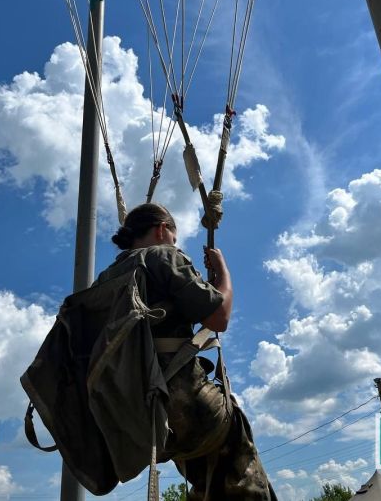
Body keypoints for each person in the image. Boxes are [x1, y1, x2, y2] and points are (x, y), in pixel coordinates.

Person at [96, 203, 277, 501]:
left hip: (142, 418)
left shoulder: (107, 277)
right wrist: (222, 272)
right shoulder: (163, 255)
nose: (173, 244)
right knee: (238, 453)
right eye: (173, 238)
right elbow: (219, 319)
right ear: (162, 229)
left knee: (207, 482)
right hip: (186, 405)